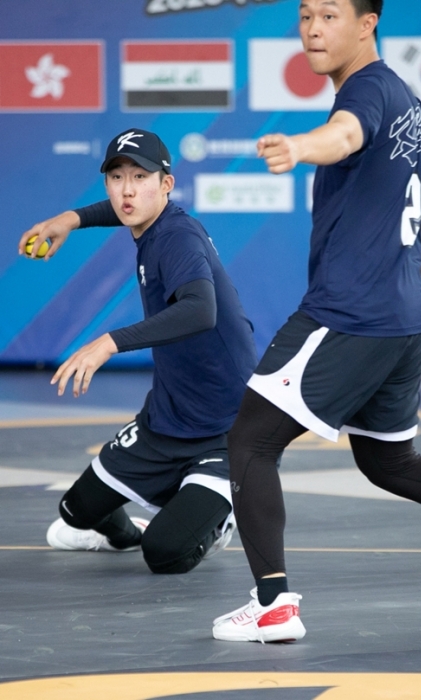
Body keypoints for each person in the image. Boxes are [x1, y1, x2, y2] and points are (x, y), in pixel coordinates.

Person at [211, 0, 421, 643]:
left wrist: (300, 146)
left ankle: (274, 606)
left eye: (330, 16)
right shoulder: (408, 101)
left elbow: (343, 135)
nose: (314, 28)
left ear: (367, 24)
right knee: (389, 463)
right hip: (397, 316)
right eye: (306, 15)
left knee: (250, 443)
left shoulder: (367, 92)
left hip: (351, 313)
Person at [19, 128, 257, 574]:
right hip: (166, 420)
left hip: (227, 428)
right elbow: (127, 209)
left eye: (141, 176)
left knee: (167, 553)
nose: (127, 190)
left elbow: (200, 310)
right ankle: (128, 536)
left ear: (166, 184)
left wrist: (109, 342)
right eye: (116, 177)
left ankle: (218, 517)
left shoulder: (177, 237)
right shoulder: (148, 220)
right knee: (75, 512)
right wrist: (69, 219)